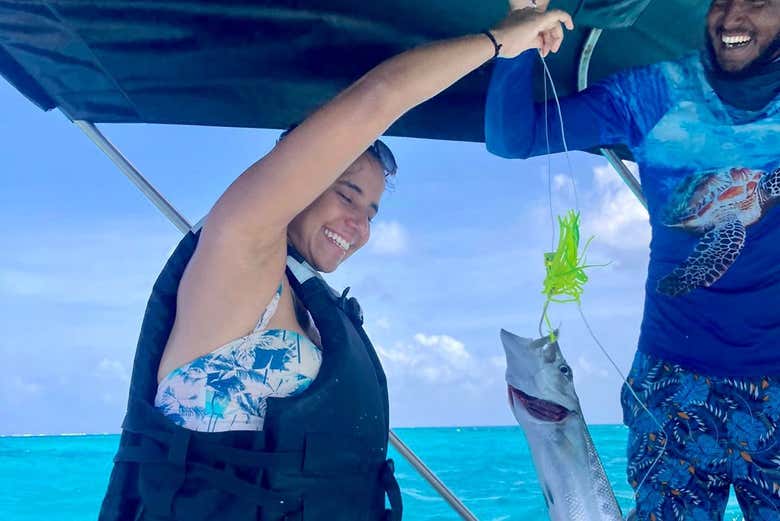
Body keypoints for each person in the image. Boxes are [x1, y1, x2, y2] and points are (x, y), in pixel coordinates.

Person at [98, 6, 574, 521]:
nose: (359, 224)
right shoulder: (236, 252)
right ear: (300, 179)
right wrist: (501, 40)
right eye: (346, 195)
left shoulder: (305, 298)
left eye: (371, 211)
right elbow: (380, 98)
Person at [486, 0, 779, 519]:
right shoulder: (653, 93)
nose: (734, 15)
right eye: (722, 0)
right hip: (674, 385)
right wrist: (515, 40)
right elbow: (514, 138)